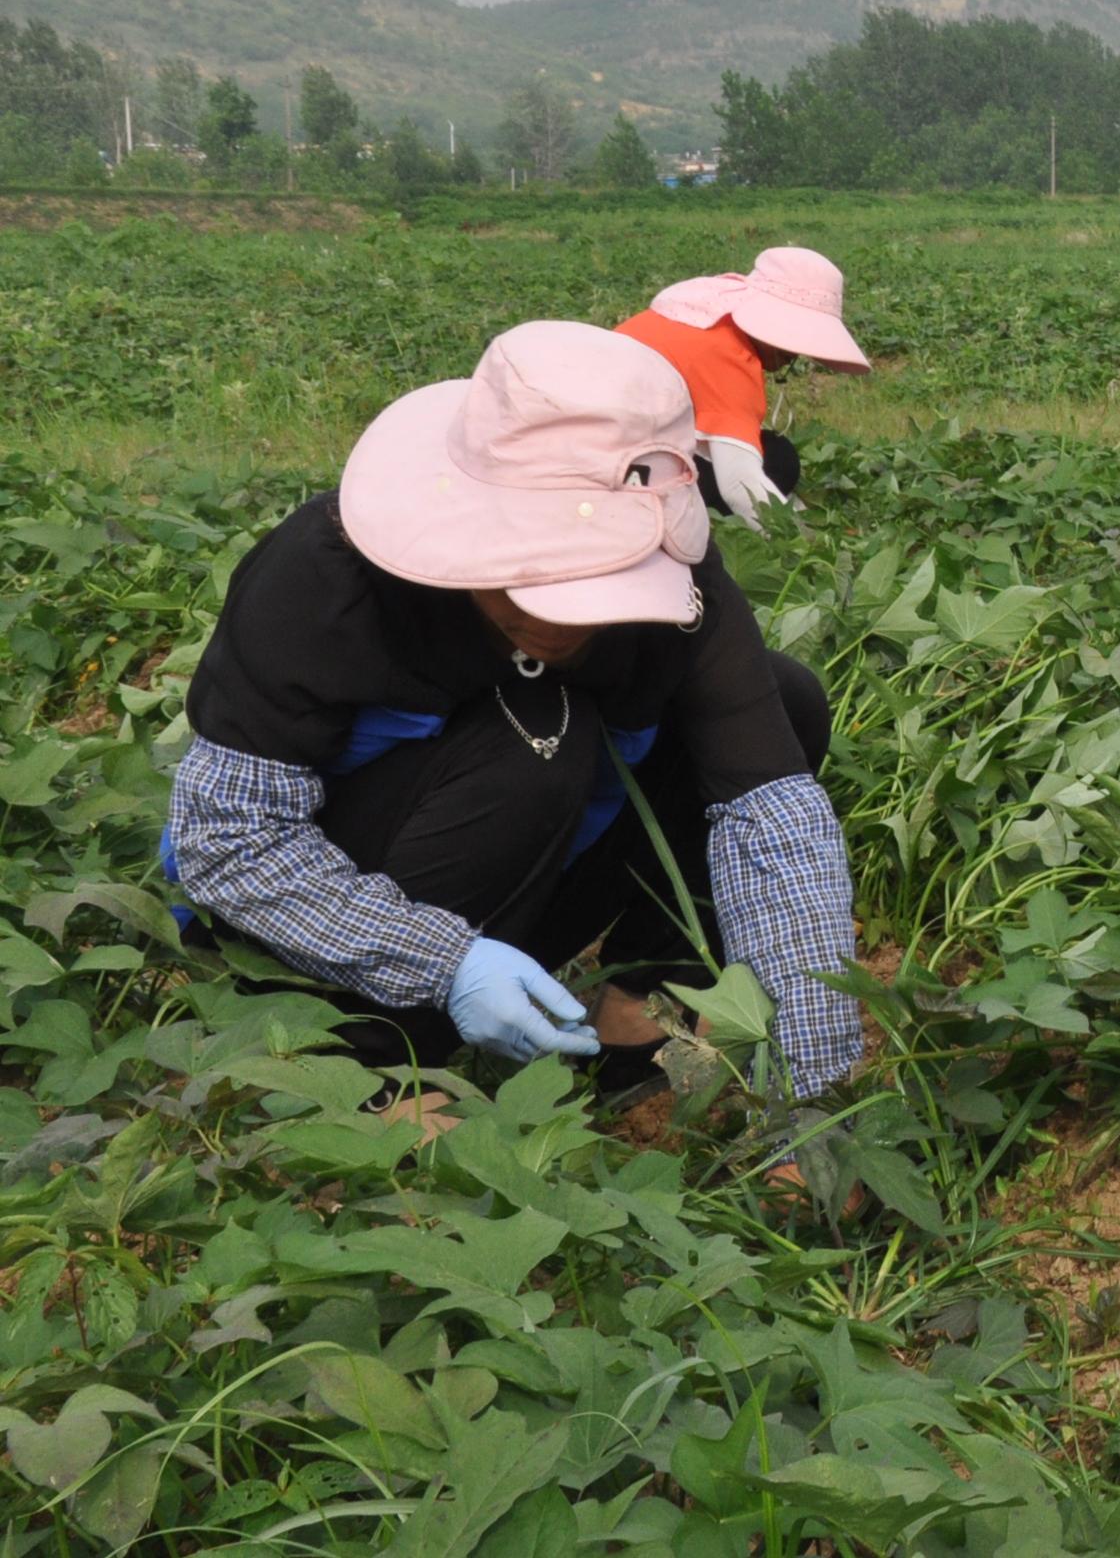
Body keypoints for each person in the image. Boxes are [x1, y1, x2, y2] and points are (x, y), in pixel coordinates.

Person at [162, 322, 860, 1136]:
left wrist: (814, 1098)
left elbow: (772, 822)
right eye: (539, 578)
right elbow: (230, 841)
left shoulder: (679, 574)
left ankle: (637, 1006)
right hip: (309, 918)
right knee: (539, 732)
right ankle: (360, 1065)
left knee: (785, 696)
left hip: (525, 871)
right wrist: (443, 963)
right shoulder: (327, 579)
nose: (560, 622)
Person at [618, 245, 871, 528]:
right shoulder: (728, 355)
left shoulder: (698, 319)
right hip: (620, 477)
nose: (797, 354)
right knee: (777, 462)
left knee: (771, 450)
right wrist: (803, 543)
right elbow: (740, 484)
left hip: (591, 449)